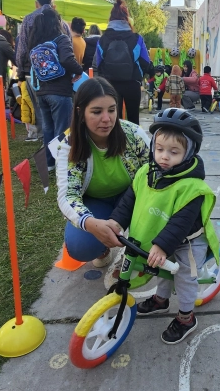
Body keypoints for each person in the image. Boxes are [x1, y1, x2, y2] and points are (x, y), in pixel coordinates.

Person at [106, 108, 220, 344]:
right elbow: (130, 200)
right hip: (163, 237)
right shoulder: (146, 172)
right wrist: (116, 221)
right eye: (159, 149)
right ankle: (161, 299)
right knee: (160, 270)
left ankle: (187, 318)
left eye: (174, 152)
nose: (164, 157)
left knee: (185, 277)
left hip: (187, 240)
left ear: (189, 153)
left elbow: (181, 222)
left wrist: (161, 246)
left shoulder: (192, 187)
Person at [57, 77, 151, 266]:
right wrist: (91, 224)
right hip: (96, 202)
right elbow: (67, 197)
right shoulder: (68, 146)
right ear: (80, 113)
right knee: (80, 246)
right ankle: (102, 249)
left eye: (112, 109)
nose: (107, 119)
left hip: (134, 197)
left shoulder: (134, 134)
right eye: (97, 112)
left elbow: (155, 173)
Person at [29, 8, 83, 169]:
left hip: (41, 91)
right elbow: (67, 59)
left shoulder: (35, 42)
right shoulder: (62, 39)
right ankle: (62, 163)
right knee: (63, 129)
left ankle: (49, 163)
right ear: (57, 23)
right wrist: (79, 70)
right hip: (60, 91)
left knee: (48, 129)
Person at [94, 0, 153, 123]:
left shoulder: (103, 39)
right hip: (132, 83)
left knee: (114, 121)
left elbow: (98, 64)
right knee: (133, 120)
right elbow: (146, 62)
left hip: (110, 85)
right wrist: (139, 76)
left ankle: (115, 142)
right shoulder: (137, 38)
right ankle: (133, 142)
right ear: (127, 19)